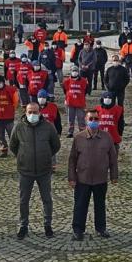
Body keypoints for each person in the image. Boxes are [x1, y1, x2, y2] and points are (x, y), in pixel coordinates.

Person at [10, 103, 61, 239]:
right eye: (30, 112)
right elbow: (13, 145)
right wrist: (22, 156)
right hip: (25, 170)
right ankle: (23, 225)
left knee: (47, 199)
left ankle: (47, 225)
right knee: (23, 200)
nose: (33, 114)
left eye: (35, 112)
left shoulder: (48, 127)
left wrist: (45, 155)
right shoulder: (19, 127)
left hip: (44, 170)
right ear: (25, 112)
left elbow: (56, 145)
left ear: (40, 112)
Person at [69, 108, 119, 240]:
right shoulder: (78, 138)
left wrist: (114, 175)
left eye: (96, 119)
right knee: (80, 205)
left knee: (100, 205)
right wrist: (72, 178)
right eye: (90, 119)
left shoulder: (107, 137)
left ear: (100, 120)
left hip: (100, 179)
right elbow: (72, 159)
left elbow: (113, 158)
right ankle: (78, 230)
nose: (93, 121)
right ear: (85, 120)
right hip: (82, 179)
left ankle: (100, 228)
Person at [63, 66, 88, 138]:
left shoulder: (83, 81)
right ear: (71, 72)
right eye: (73, 71)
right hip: (70, 102)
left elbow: (86, 90)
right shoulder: (67, 81)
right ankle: (70, 132)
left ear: (78, 72)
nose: (74, 72)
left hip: (80, 102)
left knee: (81, 118)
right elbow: (65, 90)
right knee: (70, 118)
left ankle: (82, 132)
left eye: (76, 71)